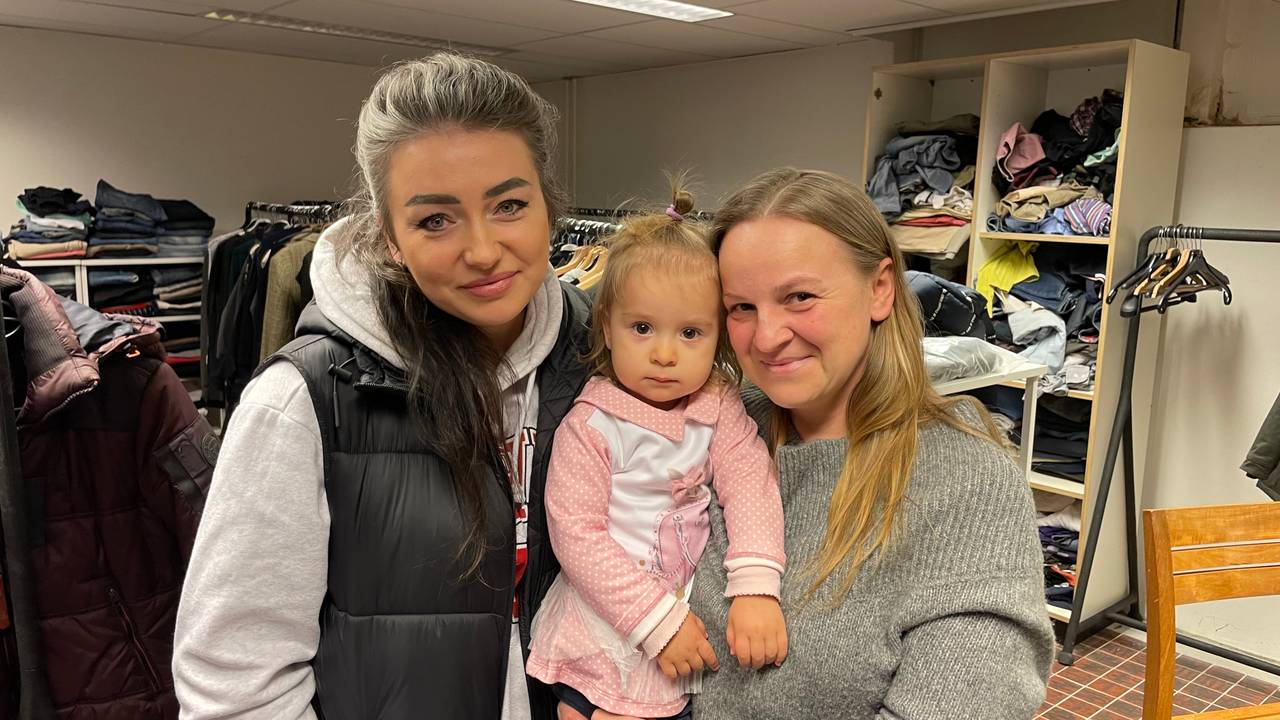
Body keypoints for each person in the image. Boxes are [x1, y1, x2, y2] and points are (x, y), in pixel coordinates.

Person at [172, 54, 593, 720]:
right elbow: (234, 679)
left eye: (509, 205)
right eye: (435, 220)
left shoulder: (609, 358)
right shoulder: (303, 400)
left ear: (550, 206)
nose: (483, 250)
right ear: (389, 236)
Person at [687, 168, 1054, 719]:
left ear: (880, 288)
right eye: (742, 307)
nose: (765, 337)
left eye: (800, 296)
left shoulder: (965, 478)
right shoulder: (722, 431)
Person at [525, 188, 787, 720]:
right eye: (642, 328)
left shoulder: (719, 409)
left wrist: (756, 587)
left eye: (690, 333)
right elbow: (576, 534)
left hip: (687, 623)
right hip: (608, 621)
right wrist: (652, 618)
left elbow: (751, 486)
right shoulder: (593, 423)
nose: (664, 354)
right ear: (607, 328)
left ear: (718, 341)